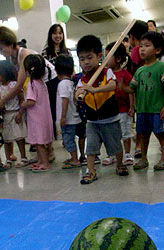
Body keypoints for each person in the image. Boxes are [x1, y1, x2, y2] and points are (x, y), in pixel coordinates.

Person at [0, 26, 57, 159]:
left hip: (49, 82)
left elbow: (19, 83)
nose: (0, 52)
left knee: (43, 119)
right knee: (37, 119)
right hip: (36, 85)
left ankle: (49, 151)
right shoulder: (10, 59)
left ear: (11, 44)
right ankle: (43, 151)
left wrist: (4, 100)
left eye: (1, 48)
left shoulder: (24, 54)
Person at [74, 35, 127, 184]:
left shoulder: (106, 72)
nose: (85, 62)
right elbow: (78, 93)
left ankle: (120, 164)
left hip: (110, 118)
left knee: (115, 145)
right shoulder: (82, 80)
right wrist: (79, 93)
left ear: (99, 56)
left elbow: (112, 86)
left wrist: (95, 90)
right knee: (90, 147)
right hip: (92, 121)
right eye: (82, 59)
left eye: (89, 58)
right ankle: (91, 171)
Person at [120, 32, 164, 171]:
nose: (142, 49)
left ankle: (163, 158)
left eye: (147, 46)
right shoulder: (139, 71)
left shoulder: (161, 67)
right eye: (141, 46)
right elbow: (132, 89)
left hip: (156, 109)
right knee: (143, 135)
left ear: (157, 49)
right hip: (142, 110)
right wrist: (121, 86)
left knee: (161, 134)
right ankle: (144, 159)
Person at [0, 60, 29, 168]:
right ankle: (8, 159)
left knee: (19, 137)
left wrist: (20, 113)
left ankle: (23, 157)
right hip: (5, 115)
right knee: (6, 138)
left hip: (16, 113)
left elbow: (22, 99)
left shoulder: (14, 85)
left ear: (4, 72)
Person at [20, 55, 54, 172]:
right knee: (40, 142)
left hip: (36, 118)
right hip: (44, 117)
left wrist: (22, 104)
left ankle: (44, 163)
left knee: (39, 143)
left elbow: (31, 101)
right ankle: (40, 161)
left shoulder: (31, 84)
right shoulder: (41, 82)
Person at [103, 42, 134, 166]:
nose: (105, 59)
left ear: (118, 58)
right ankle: (112, 154)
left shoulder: (125, 74)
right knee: (110, 135)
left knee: (125, 133)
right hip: (110, 111)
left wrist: (132, 107)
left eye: (108, 56)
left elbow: (131, 92)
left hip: (123, 109)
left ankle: (127, 154)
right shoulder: (104, 75)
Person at [54, 55, 82, 169]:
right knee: (70, 138)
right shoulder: (70, 83)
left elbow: (64, 100)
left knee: (68, 139)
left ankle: (75, 159)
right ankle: (74, 157)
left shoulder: (62, 84)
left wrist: (63, 117)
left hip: (68, 119)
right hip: (74, 117)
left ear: (57, 71)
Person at [127, 20, 149, 159]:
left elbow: (133, 69)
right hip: (148, 87)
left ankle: (138, 146)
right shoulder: (148, 48)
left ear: (132, 37)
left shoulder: (136, 50)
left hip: (140, 89)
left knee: (141, 119)